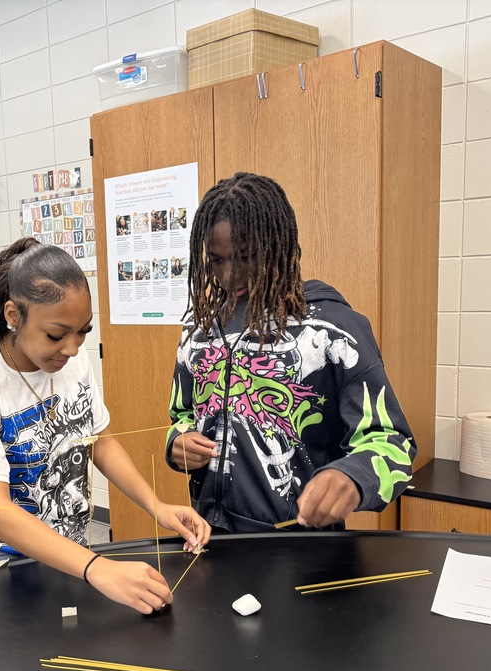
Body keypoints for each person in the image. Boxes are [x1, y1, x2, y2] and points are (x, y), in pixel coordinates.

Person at [0, 238, 210, 615]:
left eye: (83, 331)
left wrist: (155, 505)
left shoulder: (70, 363)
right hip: (3, 560)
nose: (72, 348)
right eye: (56, 334)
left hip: (72, 550)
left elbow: (101, 441)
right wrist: (98, 568)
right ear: (13, 315)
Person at [166, 173, 415, 532]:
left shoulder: (334, 328)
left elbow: (394, 443)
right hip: (209, 535)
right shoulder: (199, 327)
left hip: (298, 544)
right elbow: (181, 413)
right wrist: (177, 442)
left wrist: (354, 477)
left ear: (279, 245)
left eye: (245, 257)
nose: (229, 275)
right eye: (216, 261)